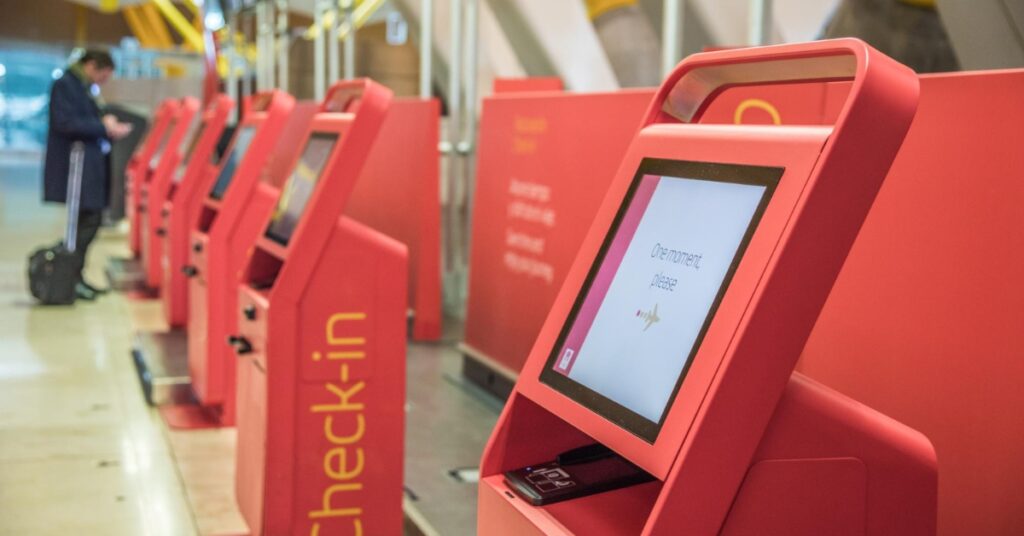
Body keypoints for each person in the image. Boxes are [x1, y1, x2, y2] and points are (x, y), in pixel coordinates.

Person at [42, 49, 132, 301]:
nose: (102, 81)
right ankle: (69, 279)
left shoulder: (81, 86)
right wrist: (103, 127)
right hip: (75, 168)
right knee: (80, 226)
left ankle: (76, 276)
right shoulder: (66, 85)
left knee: (89, 221)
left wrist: (106, 122)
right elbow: (65, 122)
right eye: (102, 75)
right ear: (91, 65)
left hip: (87, 167)